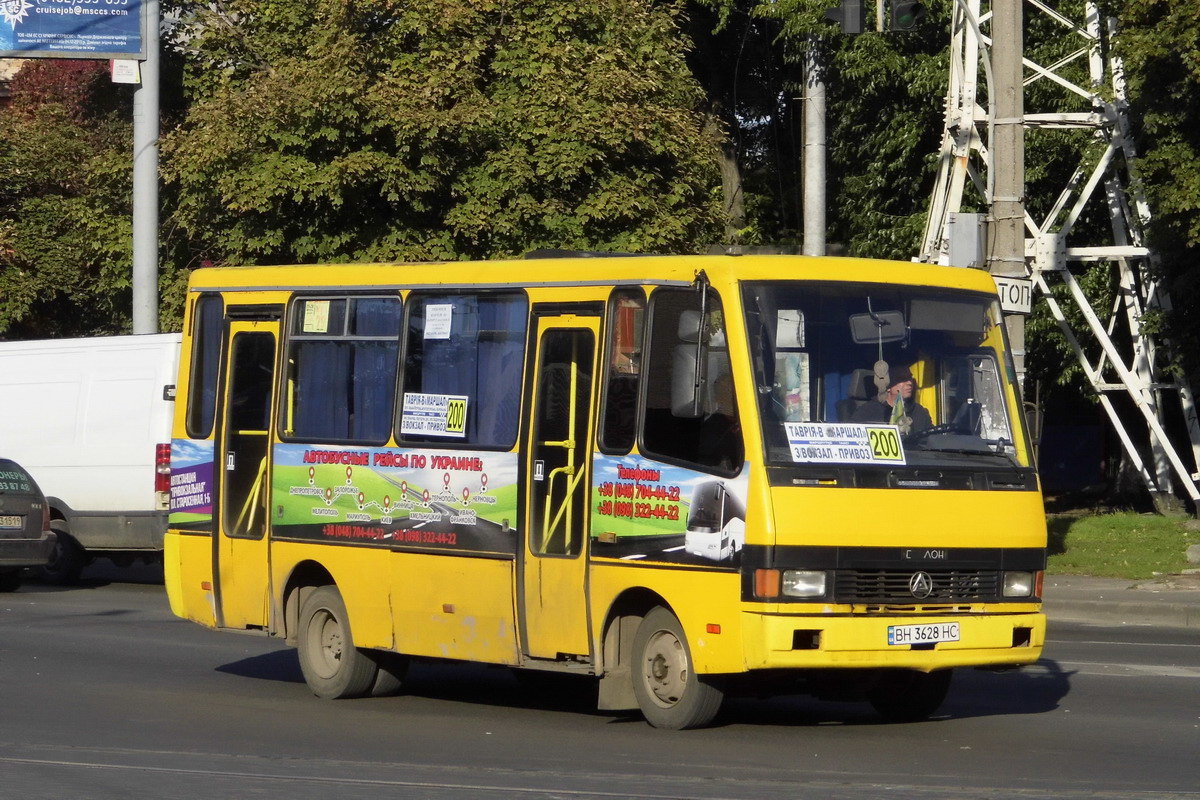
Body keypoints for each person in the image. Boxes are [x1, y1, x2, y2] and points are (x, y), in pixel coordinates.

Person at [850, 364, 931, 435]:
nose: (909, 383)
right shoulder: (867, 412)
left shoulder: (919, 412)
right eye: (903, 380)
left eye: (910, 379)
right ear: (888, 387)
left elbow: (931, 441)